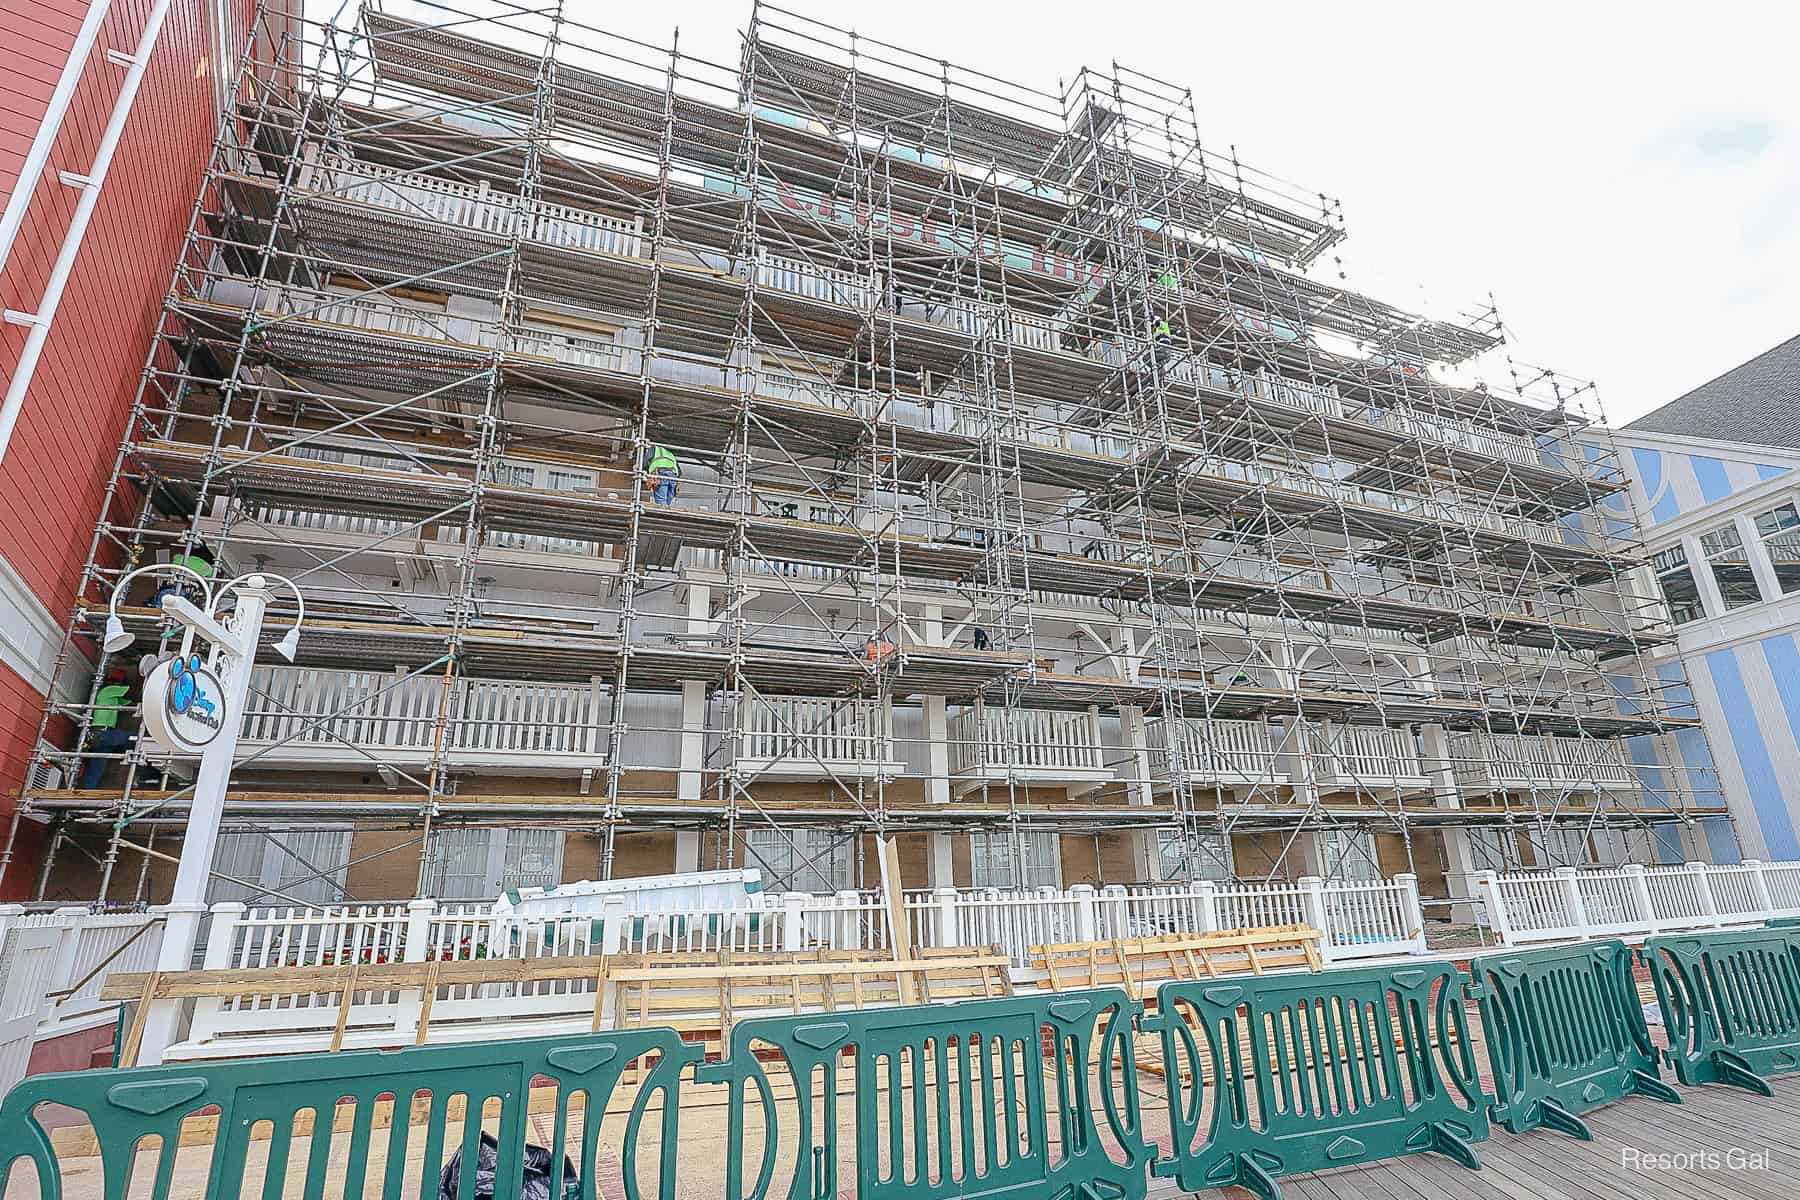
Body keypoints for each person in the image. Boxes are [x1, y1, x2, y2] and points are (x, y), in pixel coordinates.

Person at [80, 669, 135, 790]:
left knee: (96, 771)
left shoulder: (110, 695)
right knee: (135, 737)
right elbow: (133, 693)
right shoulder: (108, 690)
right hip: (103, 734)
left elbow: (129, 701)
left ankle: (86, 796)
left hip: (99, 737)